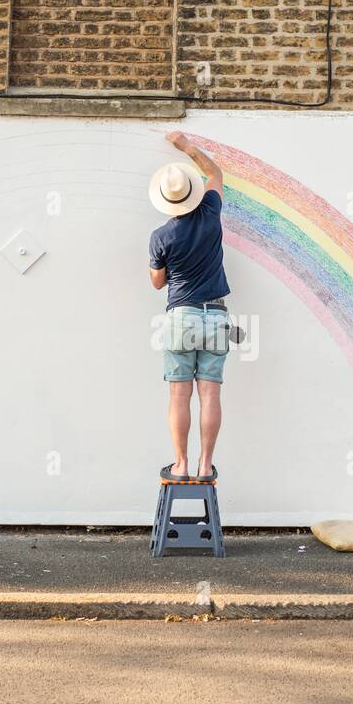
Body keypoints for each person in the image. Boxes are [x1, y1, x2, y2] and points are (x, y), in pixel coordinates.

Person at [147, 131, 230, 482]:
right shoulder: (211, 211)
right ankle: (205, 464)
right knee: (209, 392)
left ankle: (180, 464)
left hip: (181, 316)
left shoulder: (161, 236)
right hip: (216, 314)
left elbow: (157, 282)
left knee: (179, 393)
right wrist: (186, 148)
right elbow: (216, 175)